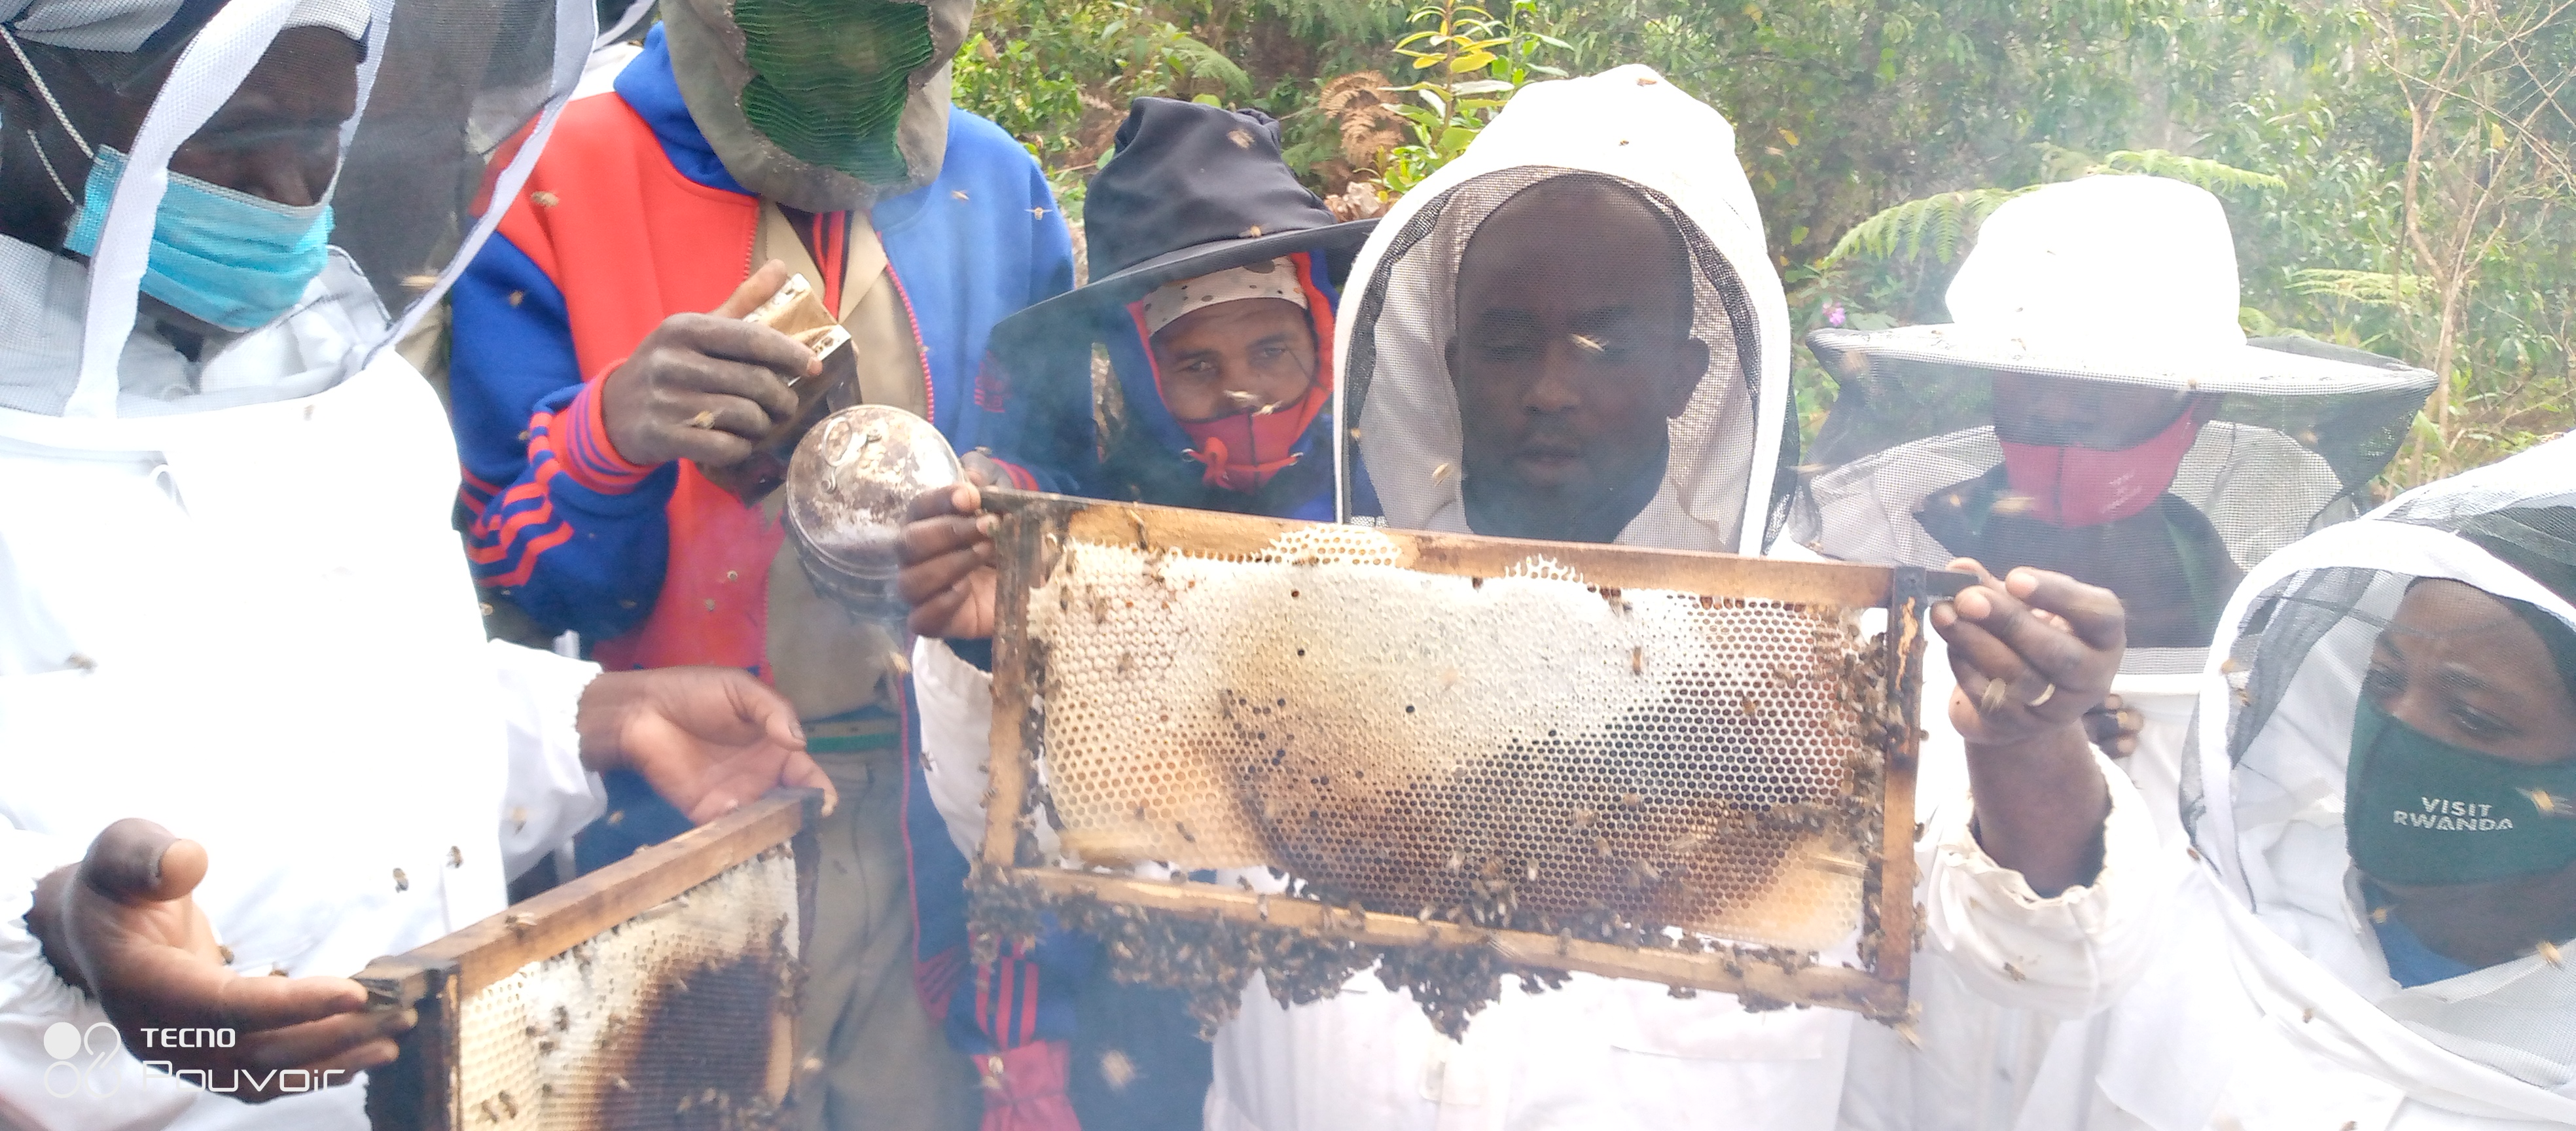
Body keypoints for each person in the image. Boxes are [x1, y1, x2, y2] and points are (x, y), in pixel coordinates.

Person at [1244, 64, 2167, 1130]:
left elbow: (2057, 953)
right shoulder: (1285, 620)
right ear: (1450, 363)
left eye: (1605, 343)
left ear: (1690, 375)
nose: (1550, 386)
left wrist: (2029, 746)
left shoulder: (1835, 657)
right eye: (1507, 341)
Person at [0, 2, 829, 1128]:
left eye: (319, 139)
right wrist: (54, 932)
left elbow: (358, 706)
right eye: (234, 137)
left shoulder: (360, 391)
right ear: (34, 109)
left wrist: (585, 718)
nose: (292, 192)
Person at [441, 0, 1075, 1124]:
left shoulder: (993, 181)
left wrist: (999, 508)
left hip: (942, 819)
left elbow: (1073, 466)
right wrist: (606, 437)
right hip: (684, 803)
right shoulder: (555, 178)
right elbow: (524, 580)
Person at [899, 95, 1377, 1129]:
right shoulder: (1085, 536)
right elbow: (1006, 841)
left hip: (1352, 1025)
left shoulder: (1382, 502)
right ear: (1142, 375)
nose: (1242, 392)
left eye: (1272, 350)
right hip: (1138, 1010)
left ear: (1323, 333)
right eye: (1197, 365)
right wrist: (1022, 1051)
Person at [1907, 438, 2576, 1129]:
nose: (2398, 730)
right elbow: (2042, 953)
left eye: (2474, 717)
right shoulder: (2239, 890)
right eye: (2384, 681)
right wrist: (2028, 739)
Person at [1790, 175, 2437, 844]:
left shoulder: (2226, 574)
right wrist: (2030, 755)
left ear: (2199, 403)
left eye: (2107, 380)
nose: (2059, 407)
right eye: (2033, 373)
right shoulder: (1889, 523)